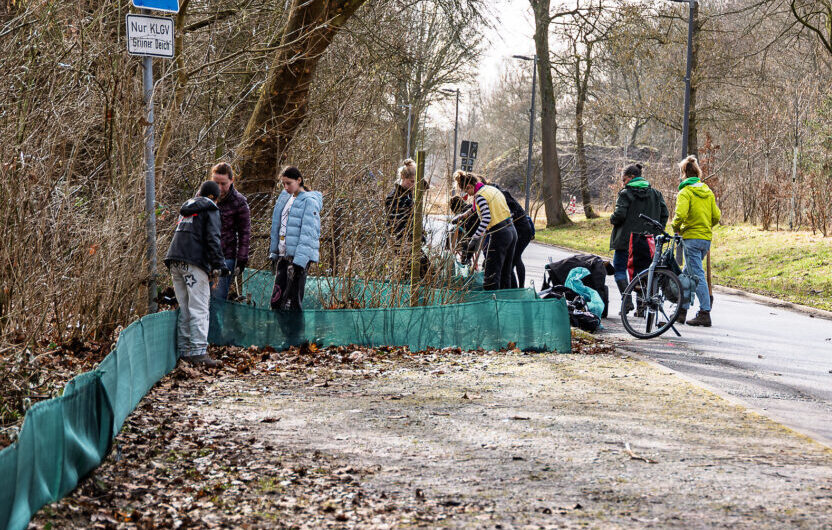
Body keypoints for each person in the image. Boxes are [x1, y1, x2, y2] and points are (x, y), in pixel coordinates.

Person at [164, 181, 228, 367]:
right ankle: (199, 352)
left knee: (185, 307)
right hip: (194, 262)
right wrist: (219, 266)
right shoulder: (210, 209)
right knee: (199, 307)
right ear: (213, 197)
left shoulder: (187, 208)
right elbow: (213, 239)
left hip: (175, 260)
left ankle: (184, 351)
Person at [609, 163, 669, 314]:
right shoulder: (656, 194)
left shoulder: (626, 193)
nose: (623, 183)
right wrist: (656, 230)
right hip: (648, 240)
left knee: (619, 269)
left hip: (626, 241)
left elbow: (620, 215)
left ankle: (627, 301)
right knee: (642, 272)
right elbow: (665, 214)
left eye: (624, 180)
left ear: (632, 177)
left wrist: (612, 218)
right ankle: (642, 307)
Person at [672, 155, 721, 327]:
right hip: (705, 239)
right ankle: (681, 311)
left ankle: (705, 312)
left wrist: (675, 226)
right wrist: (706, 226)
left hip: (691, 238)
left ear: (684, 172)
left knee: (697, 275)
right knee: (687, 274)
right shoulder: (707, 192)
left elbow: (681, 215)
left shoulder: (685, 192)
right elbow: (716, 216)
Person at [268, 166, 323, 312]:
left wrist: (300, 262)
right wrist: (274, 252)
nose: (286, 187)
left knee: (291, 303)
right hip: (283, 255)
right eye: (283, 184)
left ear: (299, 180)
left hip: (297, 259)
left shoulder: (309, 201)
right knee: (277, 301)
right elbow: (277, 225)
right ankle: (280, 333)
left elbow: (308, 233)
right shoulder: (285, 197)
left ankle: (294, 334)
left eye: (289, 183)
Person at [453, 171, 517, 290]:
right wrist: (462, 216)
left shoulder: (480, 196)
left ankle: (490, 305)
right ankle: (507, 302)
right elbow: (475, 209)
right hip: (511, 230)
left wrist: (474, 238)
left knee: (491, 275)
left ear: (469, 186)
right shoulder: (489, 189)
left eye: (467, 191)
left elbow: (486, 217)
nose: (469, 195)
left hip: (499, 233)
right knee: (505, 273)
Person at [210, 162, 251, 301]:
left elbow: (244, 233)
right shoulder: (203, 197)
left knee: (216, 301)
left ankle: (215, 323)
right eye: (216, 183)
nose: (219, 188)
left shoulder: (239, 202)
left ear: (232, 180)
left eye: (223, 184)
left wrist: (241, 260)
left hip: (225, 258)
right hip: (203, 256)